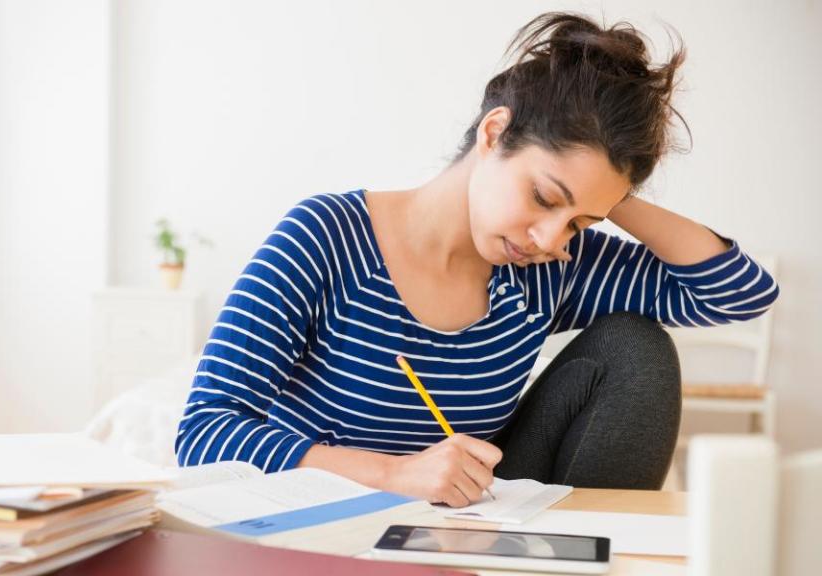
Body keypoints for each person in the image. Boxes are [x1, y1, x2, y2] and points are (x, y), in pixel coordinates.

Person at [174, 12, 779, 507]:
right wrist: (393, 475)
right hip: (327, 521)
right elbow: (203, 432)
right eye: (543, 197)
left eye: (579, 222)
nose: (547, 236)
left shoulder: (551, 264)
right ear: (493, 133)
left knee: (636, 349)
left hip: (472, 514)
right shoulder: (326, 235)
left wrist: (607, 198)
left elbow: (738, 294)